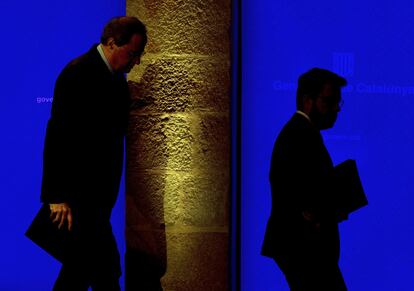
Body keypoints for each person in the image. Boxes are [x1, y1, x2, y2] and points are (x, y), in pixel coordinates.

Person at [40, 16, 147, 290]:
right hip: (78, 198)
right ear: (112, 43)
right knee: (98, 270)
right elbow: (58, 135)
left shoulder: (116, 80)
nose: (136, 62)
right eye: (133, 54)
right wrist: (56, 196)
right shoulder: (78, 73)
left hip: (98, 198)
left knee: (91, 270)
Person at [261, 68, 348, 290]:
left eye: (338, 101)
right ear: (307, 100)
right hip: (305, 247)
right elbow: (301, 194)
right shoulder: (299, 135)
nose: (336, 109)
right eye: (329, 101)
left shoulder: (300, 132)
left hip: (304, 247)